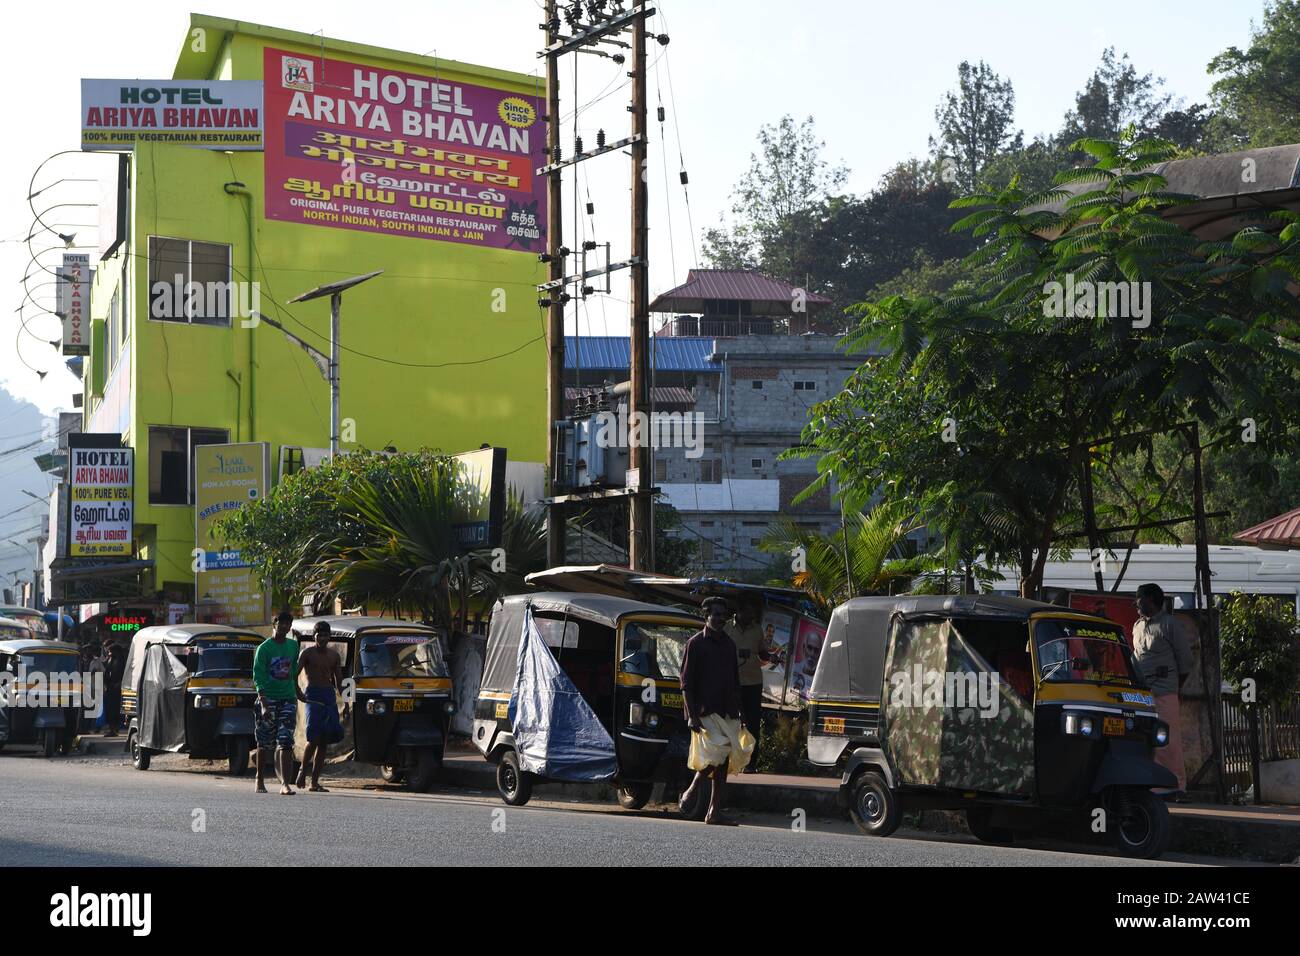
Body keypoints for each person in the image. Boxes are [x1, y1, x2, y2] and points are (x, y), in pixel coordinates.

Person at [678, 596, 754, 825]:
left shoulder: (729, 645)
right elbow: (686, 684)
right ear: (706, 616)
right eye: (717, 614)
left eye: (724, 615)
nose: (721, 619)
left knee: (723, 760)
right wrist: (691, 715)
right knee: (718, 752)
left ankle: (713, 811)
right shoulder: (695, 643)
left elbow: (734, 682)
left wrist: (741, 712)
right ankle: (692, 789)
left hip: (727, 710)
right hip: (704, 712)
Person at [1131, 583, 1193, 799]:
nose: (1135, 604)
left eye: (1139, 599)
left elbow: (1185, 662)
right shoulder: (1137, 626)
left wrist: (1174, 688)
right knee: (1145, 741)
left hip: (1165, 693)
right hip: (1141, 695)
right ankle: (1152, 786)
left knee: (1168, 741)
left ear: (1151, 600)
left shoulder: (1170, 625)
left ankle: (1175, 787)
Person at [254, 611, 305, 795]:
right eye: (281, 623)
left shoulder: (293, 646)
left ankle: (285, 783)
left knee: (285, 741)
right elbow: (258, 677)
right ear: (274, 625)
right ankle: (260, 778)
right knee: (264, 742)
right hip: (268, 698)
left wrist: (298, 692)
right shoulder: (264, 649)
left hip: (288, 699)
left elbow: (293, 674)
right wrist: (264, 704)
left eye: (288, 624)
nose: (284, 626)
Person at [295, 621, 345, 792]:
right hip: (313, 695)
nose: (322, 638)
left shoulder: (334, 656)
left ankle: (314, 782)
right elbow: (294, 675)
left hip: (328, 696)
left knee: (324, 741)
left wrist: (349, 700)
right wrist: (298, 693)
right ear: (314, 636)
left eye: (325, 635)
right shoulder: (307, 653)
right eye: (319, 635)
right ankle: (302, 771)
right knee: (313, 738)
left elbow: (339, 681)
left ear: (329, 636)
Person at [730, 599, 767, 773]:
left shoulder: (757, 630)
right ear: (739, 611)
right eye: (749, 612)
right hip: (731, 682)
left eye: (753, 613)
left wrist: (771, 657)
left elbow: (762, 652)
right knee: (732, 722)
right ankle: (731, 760)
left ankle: (751, 764)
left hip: (753, 682)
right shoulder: (726, 628)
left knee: (752, 724)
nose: (752, 616)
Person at [101, 641, 125, 737]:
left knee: (114, 710)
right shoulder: (110, 660)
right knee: (109, 709)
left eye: (111, 651)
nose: (109, 653)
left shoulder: (121, 661)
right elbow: (106, 671)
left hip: (116, 689)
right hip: (110, 688)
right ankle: (112, 728)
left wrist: (118, 684)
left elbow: (121, 674)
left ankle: (114, 729)